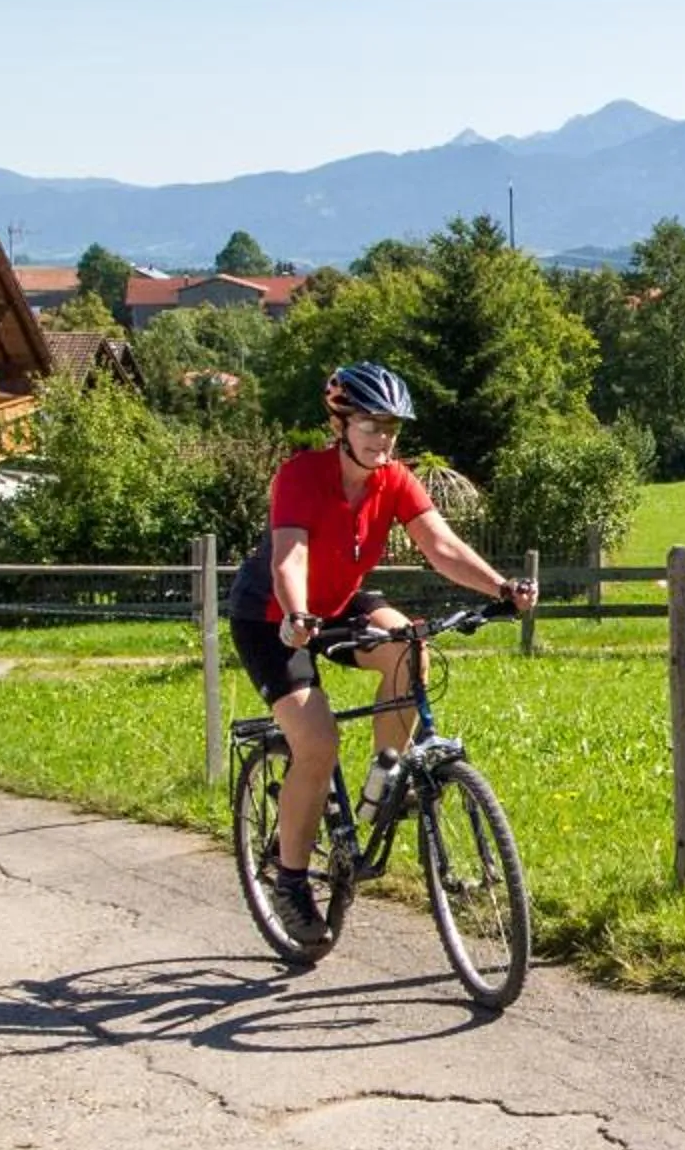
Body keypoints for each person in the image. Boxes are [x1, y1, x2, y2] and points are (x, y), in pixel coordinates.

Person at [226, 362, 536, 944]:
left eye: (391, 427)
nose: (383, 438)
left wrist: (501, 587)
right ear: (340, 424)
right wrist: (297, 614)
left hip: (338, 601)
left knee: (410, 647)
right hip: (273, 615)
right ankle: (290, 881)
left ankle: (384, 781)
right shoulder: (301, 475)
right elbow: (290, 556)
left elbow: (440, 545)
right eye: (371, 425)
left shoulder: (394, 479)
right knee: (317, 742)